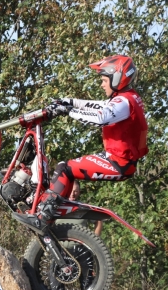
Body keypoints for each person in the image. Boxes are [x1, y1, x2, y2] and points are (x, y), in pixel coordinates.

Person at [16, 55, 148, 234]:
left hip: (119, 163)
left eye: (104, 80)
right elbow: (98, 106)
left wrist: (68, 111)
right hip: (119, 160)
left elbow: (101, 117)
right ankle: (48, 214)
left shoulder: (124, 102)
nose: (101, 84)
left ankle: (43, 217)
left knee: (65, 169)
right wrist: (69, 102)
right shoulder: (126, 98)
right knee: (65, 168)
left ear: (117, 78)